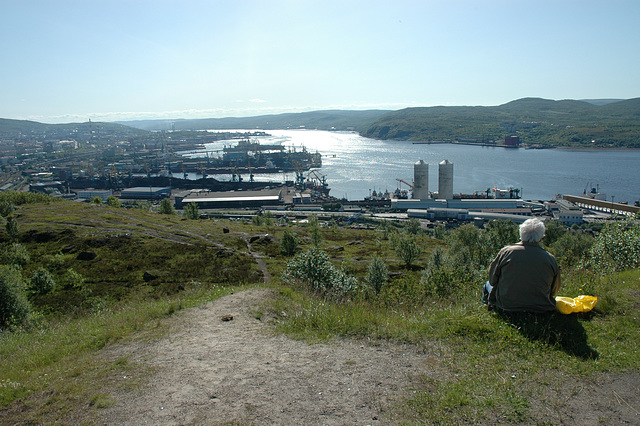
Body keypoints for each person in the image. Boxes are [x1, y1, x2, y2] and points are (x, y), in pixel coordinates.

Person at [483, 218, 561, 314]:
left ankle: (488, 307)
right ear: (541, 238)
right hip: (542, 310)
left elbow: (492, 280)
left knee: (487, 285)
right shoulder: (550, 259)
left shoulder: (507, 252)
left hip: (507, 308)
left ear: (521, 234)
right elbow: (554, 290)